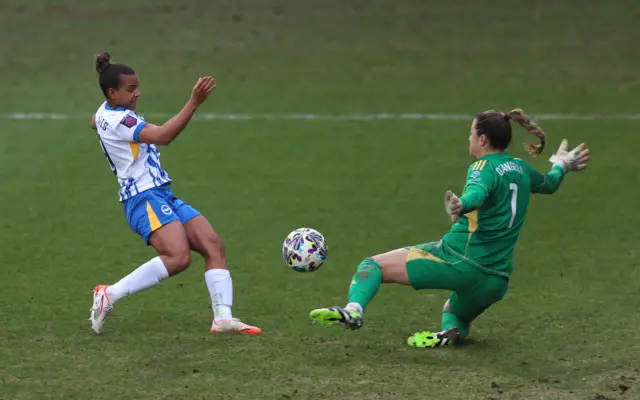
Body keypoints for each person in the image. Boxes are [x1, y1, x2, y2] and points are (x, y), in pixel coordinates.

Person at [309, 109, 590, 347]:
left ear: (482, 138)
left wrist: (461, 205)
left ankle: (353, 311)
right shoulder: (520, 168)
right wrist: (561, 164)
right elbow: (549, 184)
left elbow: (477, 193)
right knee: (454, 313)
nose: (468, 139)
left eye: (471, 134)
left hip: (459, 260)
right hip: (496, 279)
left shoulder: (482, 167)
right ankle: (450, 334)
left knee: (372, 265)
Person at [88, 52, 261, 335]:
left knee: (212, 244)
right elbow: (163, 136)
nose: (137, 94)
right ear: (112, 92)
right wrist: (194, 103)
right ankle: (110, 293)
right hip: (143, 197)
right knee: (178, 257)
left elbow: (95, 121)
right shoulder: (121, 121)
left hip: (160, 193)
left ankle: (223, 317)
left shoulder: (106, 112)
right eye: (131, 90)